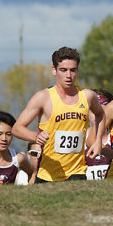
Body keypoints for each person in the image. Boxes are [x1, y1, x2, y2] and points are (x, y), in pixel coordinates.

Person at [11, 46, 105, 183]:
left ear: (77, 71)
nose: (68, 75)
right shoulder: (43, 97)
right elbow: (16, 128)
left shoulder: (88, 96)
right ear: (54, 70)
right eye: (63, 70)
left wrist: (97, 142)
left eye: (73, 70)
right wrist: (36, 137)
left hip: (77, 171)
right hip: (48, 175)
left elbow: (101, 114)